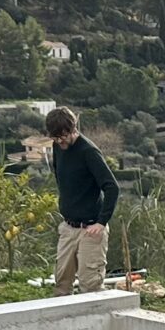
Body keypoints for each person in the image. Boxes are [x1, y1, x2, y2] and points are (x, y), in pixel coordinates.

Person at [46, 107, 118, 294]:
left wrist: (102, 222)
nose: (61, 141)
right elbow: (61, 177)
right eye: (56, 137)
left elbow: (112, 187)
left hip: (91, 229)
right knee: (61, 283)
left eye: (64, 136)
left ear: (73, 129)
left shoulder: (89, 152)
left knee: (90, 286)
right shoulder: (57, 147)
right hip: (68, 227)